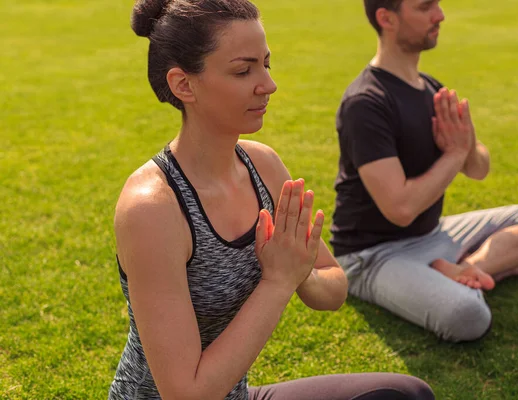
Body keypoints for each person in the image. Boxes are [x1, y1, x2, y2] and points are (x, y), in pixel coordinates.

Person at [108, 1, 435, 399]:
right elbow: (186, 394)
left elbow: (334, 286)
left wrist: (301, 273)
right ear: (183, 85)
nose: (268, 84)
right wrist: (278, 281)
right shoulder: (153, 208)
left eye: (266, 64)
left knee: (405, 394)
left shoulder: (261, 164)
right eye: (243, 70)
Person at [331, 0, 518, 343]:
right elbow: (400, 209)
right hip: (374, 254)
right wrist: (454, 154)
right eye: (425, 8)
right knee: (468, 315)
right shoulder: (366, 103)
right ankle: (468, 274)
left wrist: (465, 146)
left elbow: (479, 169)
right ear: (386, 18)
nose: (440, 15)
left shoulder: (433, 90)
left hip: (433, 235)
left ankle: (468, 269)